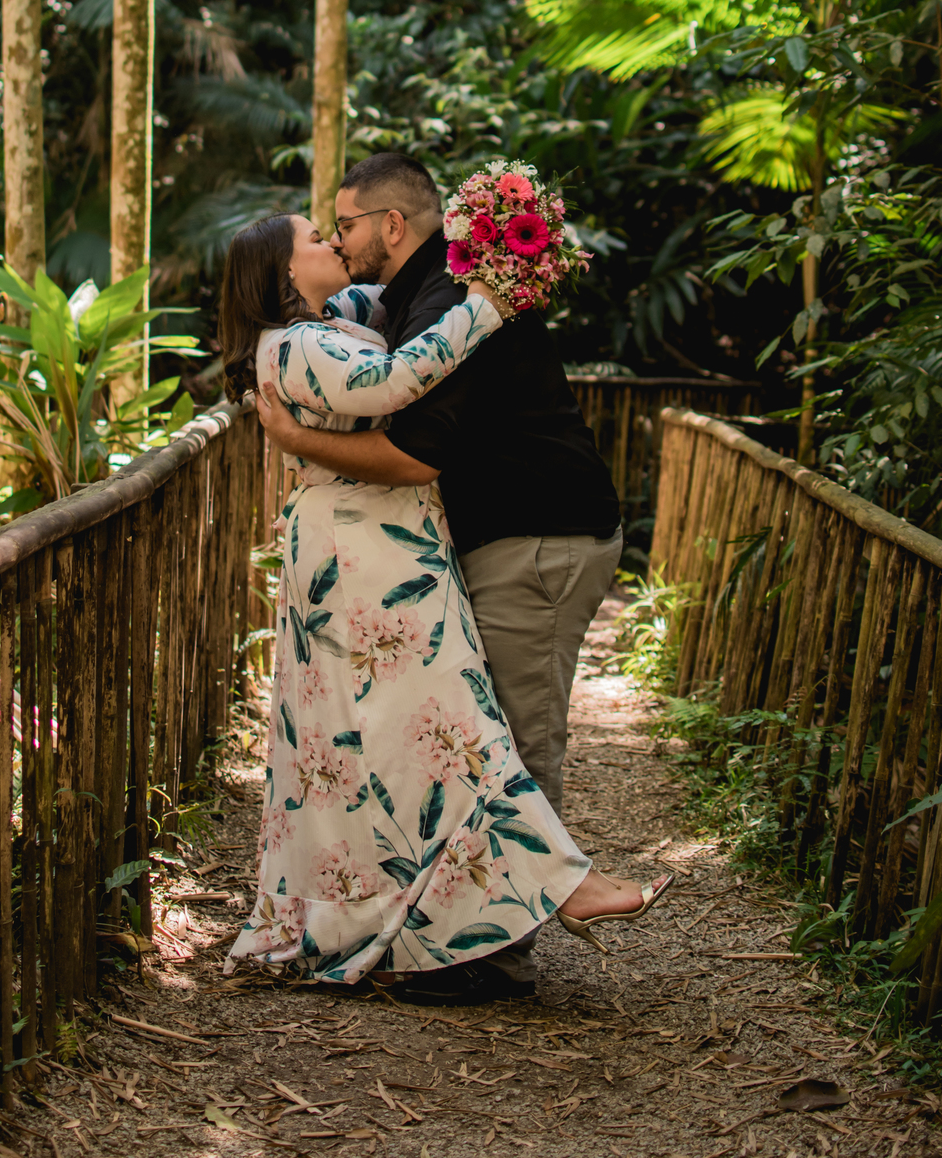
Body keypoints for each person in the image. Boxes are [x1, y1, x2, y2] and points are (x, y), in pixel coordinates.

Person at [220, 211, 669, 1000]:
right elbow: (398, 380)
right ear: (285, 275)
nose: (333, 243)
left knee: (397, 738)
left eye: (339, 230)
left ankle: (403, 909)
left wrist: (490, 249)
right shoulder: (290, 346)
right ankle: (556, 887)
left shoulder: (339, 319)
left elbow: (393, 297)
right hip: (365, 553)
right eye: (315, 241)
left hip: (391, 543)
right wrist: (490, 301)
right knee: (449, 725)